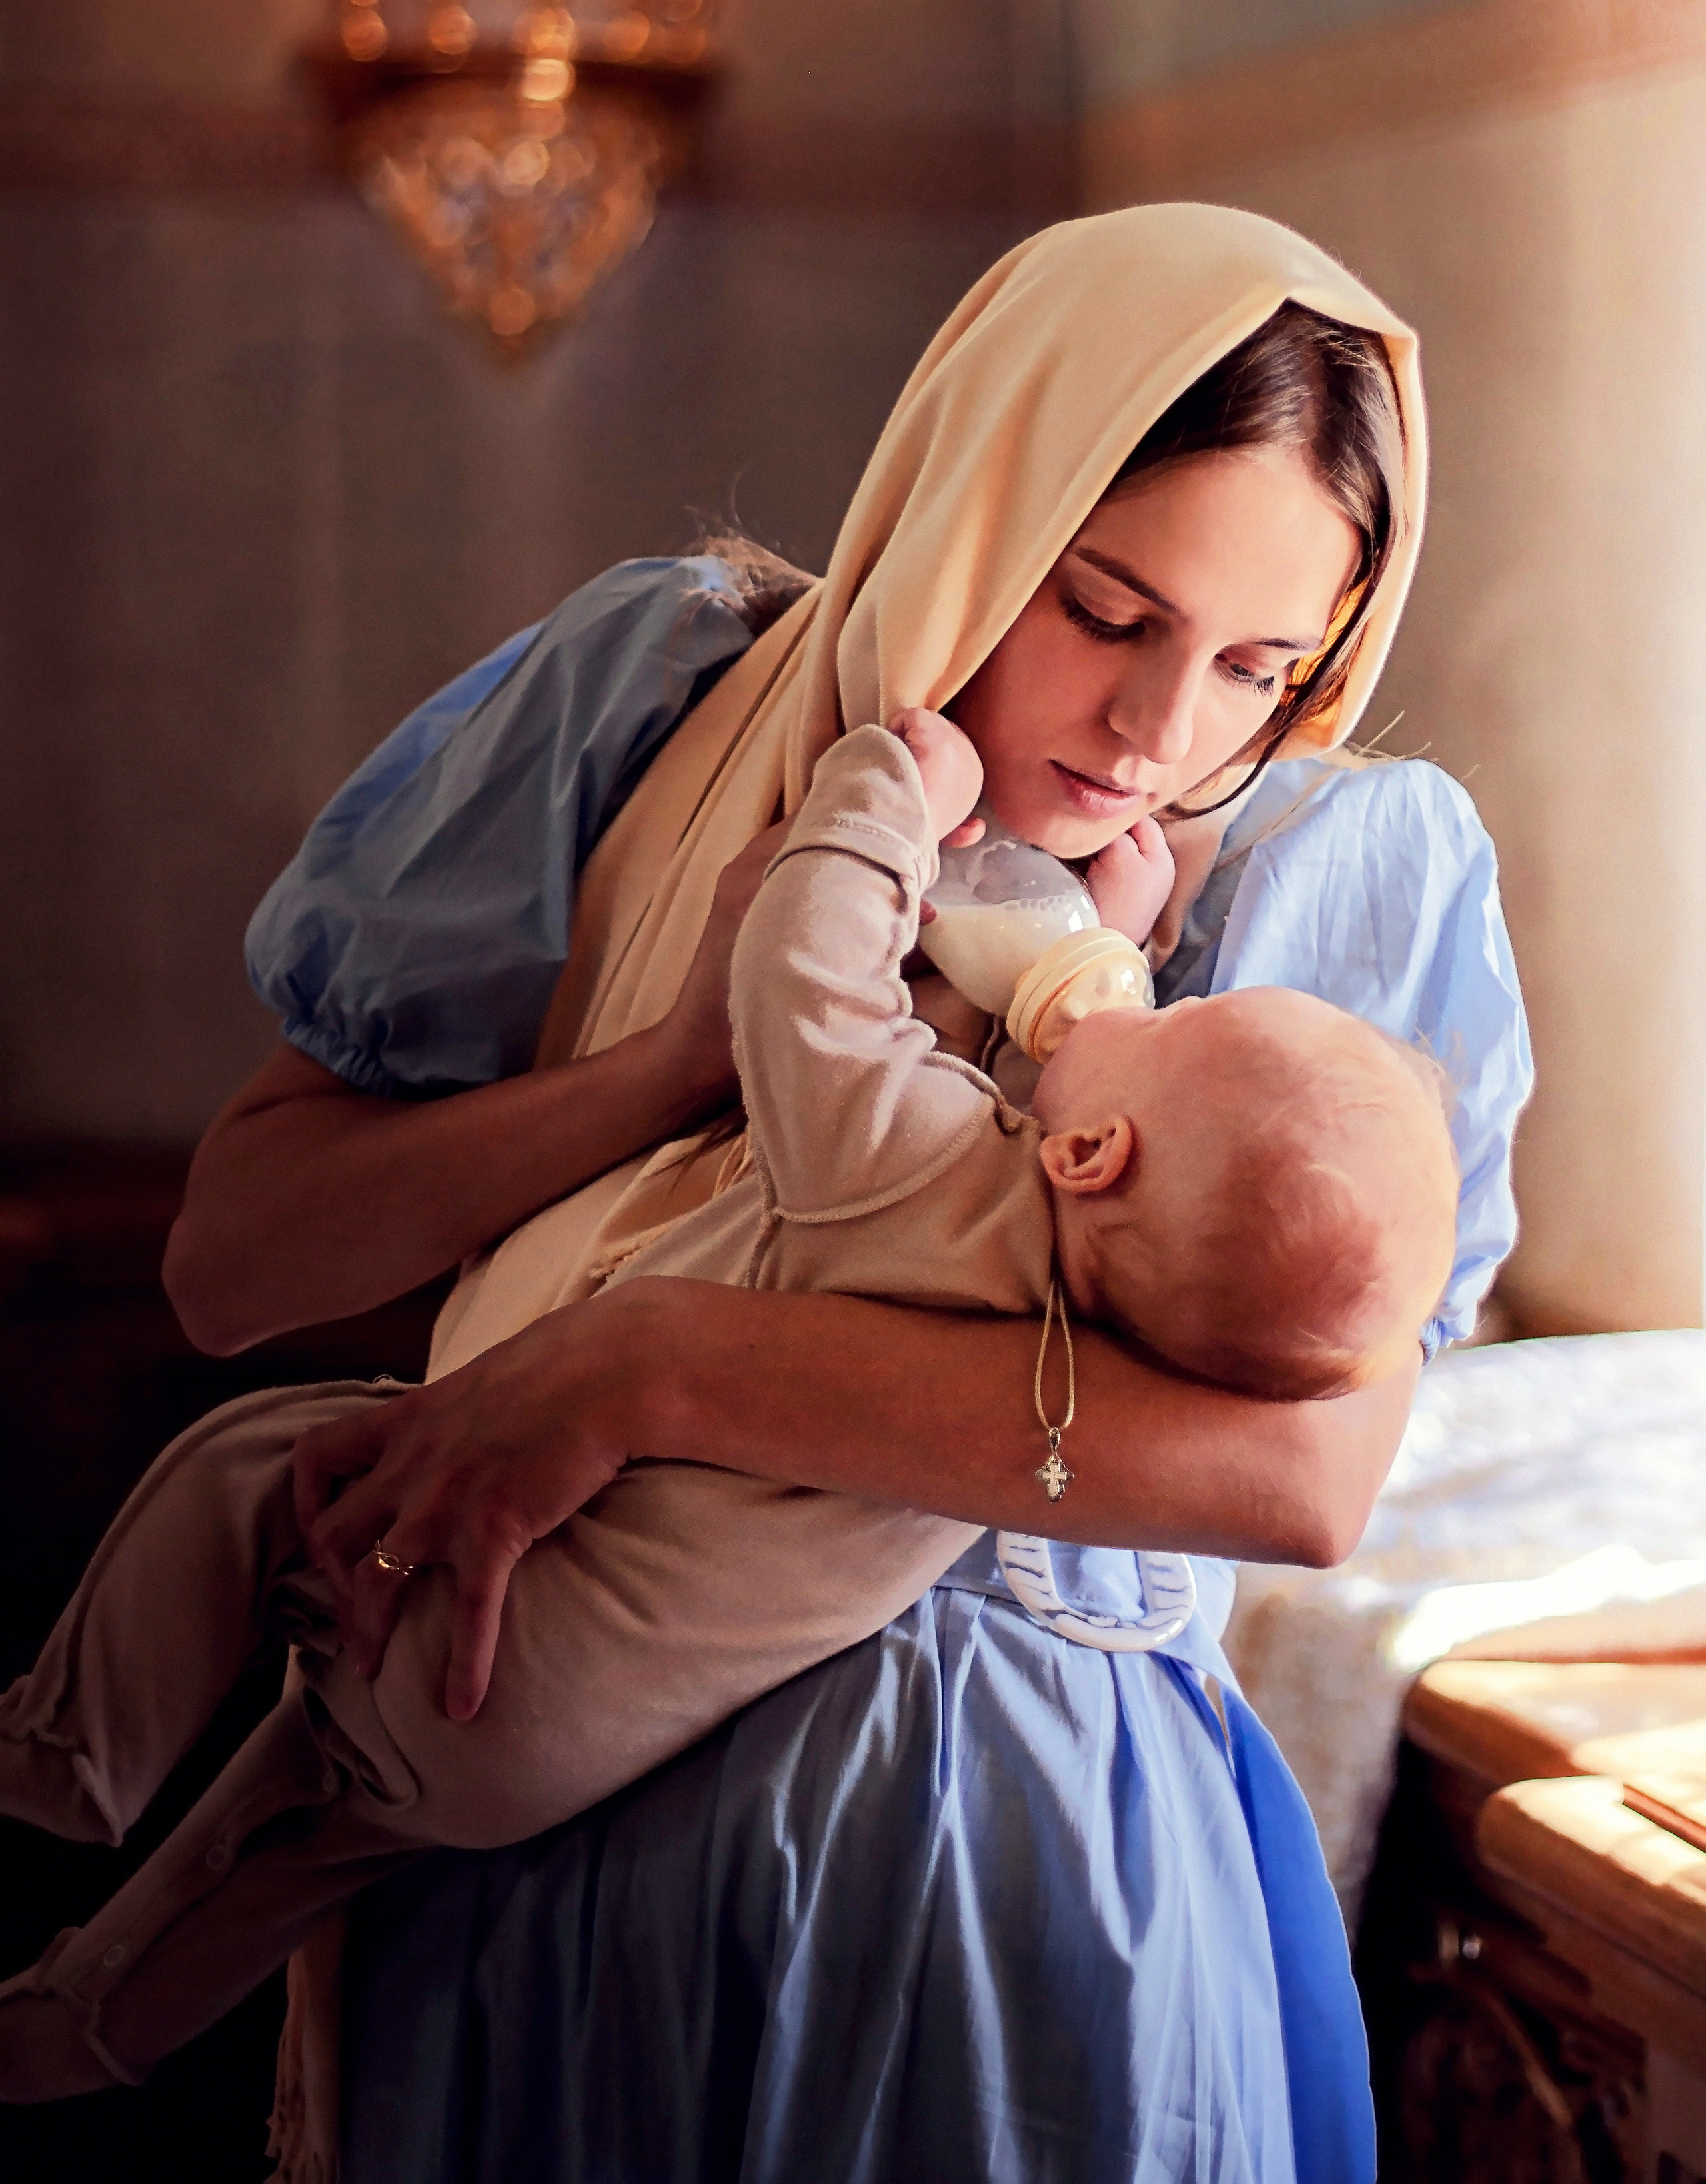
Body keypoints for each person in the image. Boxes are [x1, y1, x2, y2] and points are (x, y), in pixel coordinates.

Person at [23, 207, 1533, 2182]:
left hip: (1011, 1881)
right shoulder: (668, 696)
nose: (1164, 733)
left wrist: (653, 1366)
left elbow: (1298, 1479)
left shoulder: (1338, 862)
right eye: (1104, 607)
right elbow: (236, 1260)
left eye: (1260, 660)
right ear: (981, 492)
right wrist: (667, 1067)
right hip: (530, 1819)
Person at [0, 693, 1463, 2104]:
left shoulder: (914, 1159)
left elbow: (805, 997)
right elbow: (1073, 1125)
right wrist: (1115, 960)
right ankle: (90, 2023)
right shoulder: (1074, 1302)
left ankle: (62, 1754)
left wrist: (887, 802)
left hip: (479, 1624)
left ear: (1086, 1152)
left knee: (255, 1460)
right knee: (294, 1841)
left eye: (1173, 1018)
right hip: (545, 1746)